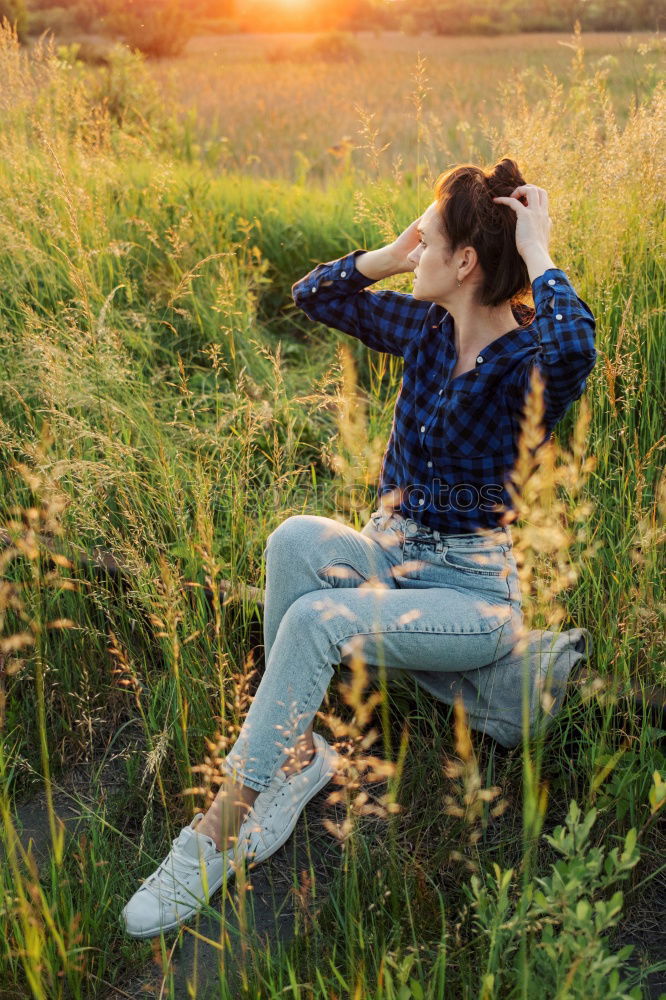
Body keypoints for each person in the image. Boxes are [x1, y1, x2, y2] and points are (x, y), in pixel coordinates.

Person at [121, 157, 597, 939]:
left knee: (314, 622)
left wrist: (538, 248)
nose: (413, 250)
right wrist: (399, 246)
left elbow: (578, 347)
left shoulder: (525, 361)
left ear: (467, 262)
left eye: (427, 238)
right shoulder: (427, 326)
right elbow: (317, 294)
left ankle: (218, 831)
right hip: (390, 551)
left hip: (472, 596)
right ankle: (298, 759)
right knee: (294, 540)